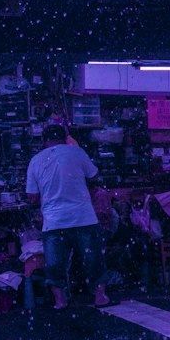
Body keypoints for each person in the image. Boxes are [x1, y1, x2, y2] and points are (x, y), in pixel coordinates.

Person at [25, 123, 109, 310]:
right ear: (64, 137)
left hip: (54, 221)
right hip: (83, 217)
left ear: (44, 140)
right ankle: (100, 296)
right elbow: (94, 176)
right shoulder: (77, 152)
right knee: (93, 259)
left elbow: (31, 196)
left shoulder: (35, 161)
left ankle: (60, 301)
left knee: (55, 264)